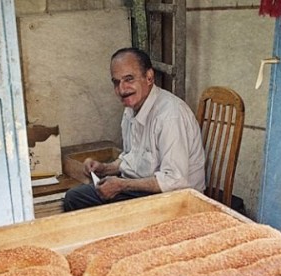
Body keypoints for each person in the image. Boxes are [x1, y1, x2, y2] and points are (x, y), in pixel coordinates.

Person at [63, 47, 205, 212]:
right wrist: (103, 168)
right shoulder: (131, 107)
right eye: (116, 82)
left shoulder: (170, 116)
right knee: (77, 197)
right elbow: (132, 158)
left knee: (77, 200)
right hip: (145, 191)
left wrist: (123, 185)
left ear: (149, 77)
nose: (122, 89)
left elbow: (174, 180)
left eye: (129, 79)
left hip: (176, 201)